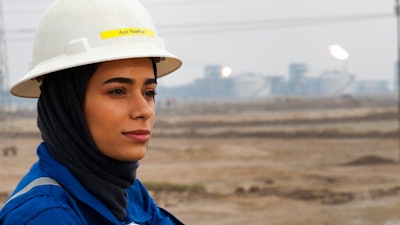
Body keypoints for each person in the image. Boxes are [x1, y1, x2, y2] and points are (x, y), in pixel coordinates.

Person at [0, 0, 183, 224]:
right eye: (118, 91)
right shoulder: (46, 215)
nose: (144, 110)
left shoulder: (125, 190)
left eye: (149, 92)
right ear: (67, 104)